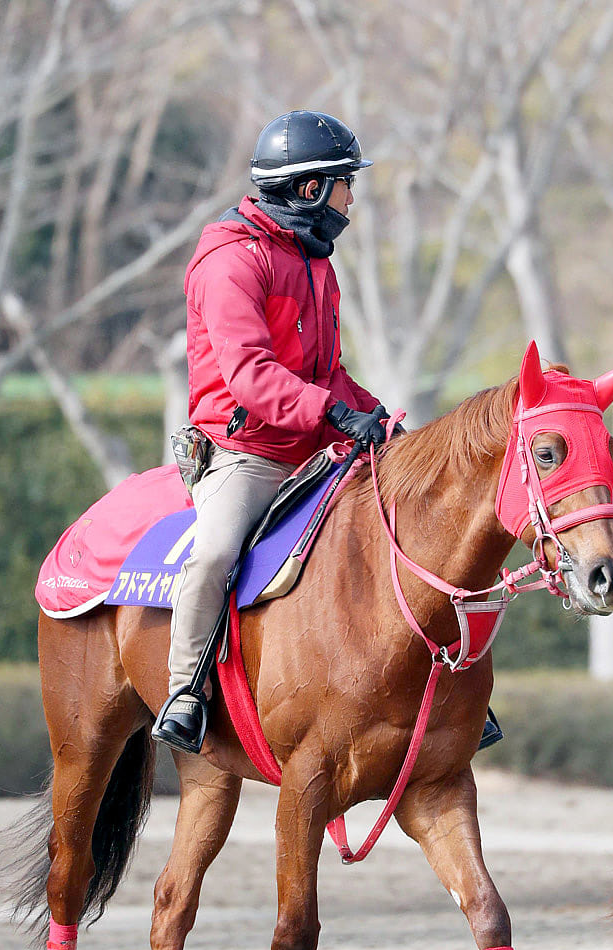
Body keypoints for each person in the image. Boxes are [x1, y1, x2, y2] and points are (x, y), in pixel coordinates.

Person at [153, 109, 388, 753]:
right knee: (216, 551)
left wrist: (380, 418)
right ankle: (183, 691)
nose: (350, 198)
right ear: (312, 190)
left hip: (312, 447)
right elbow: (252, 376)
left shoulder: (316, 263)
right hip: (244, 453)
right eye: (345, 184)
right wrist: (334, 415)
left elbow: (328, 373)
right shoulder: (230, 262)